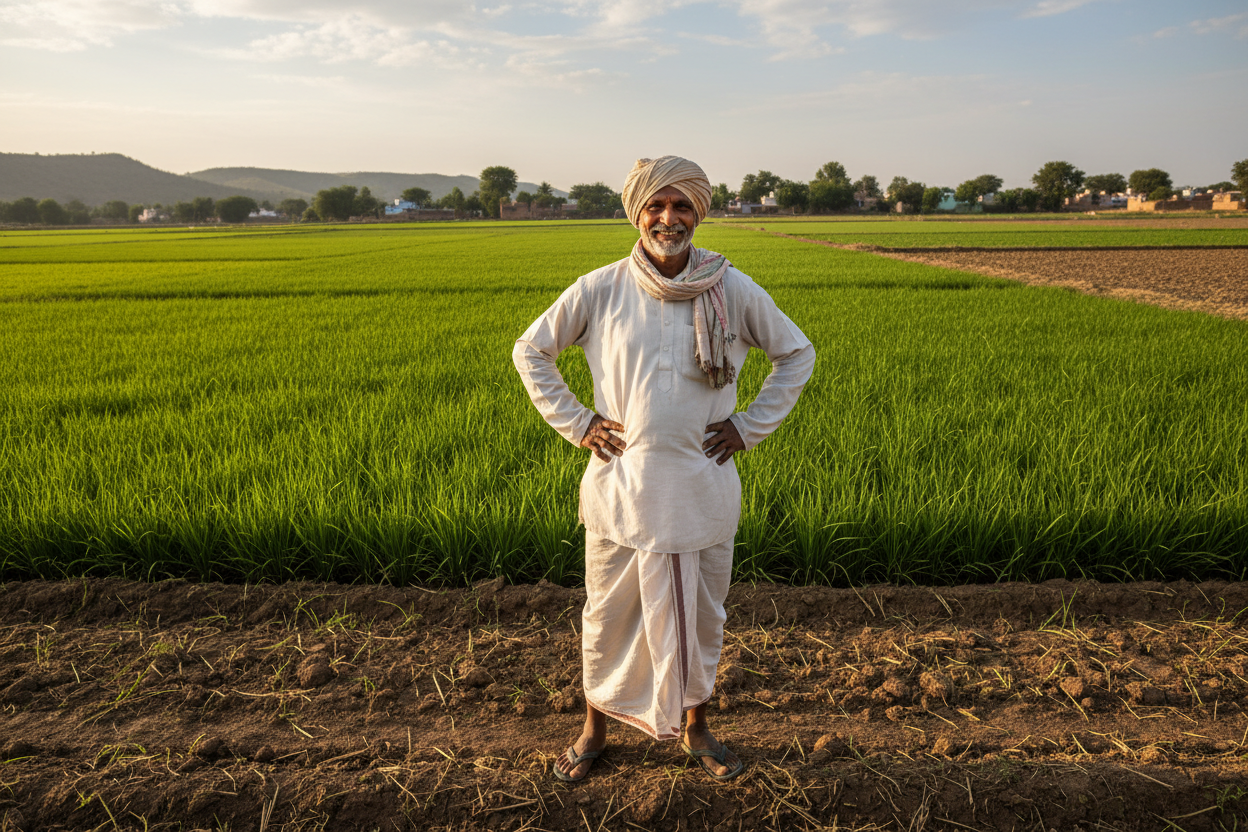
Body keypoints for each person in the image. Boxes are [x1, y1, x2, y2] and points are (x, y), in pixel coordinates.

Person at [512, 156, 815, 783]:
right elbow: (531, 350)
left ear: (698, 213)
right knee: (608, 615)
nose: (668, 219)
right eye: (656, 206)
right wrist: (578, 422)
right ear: (638, 213)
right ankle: (594, 729)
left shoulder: (730, 288)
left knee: (703, 613)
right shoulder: (601, 287)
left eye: (680, 207)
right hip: (621, 489)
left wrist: (747, 427)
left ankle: (697, 728)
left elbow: (796, 353)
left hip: (702, 487)